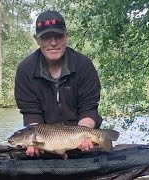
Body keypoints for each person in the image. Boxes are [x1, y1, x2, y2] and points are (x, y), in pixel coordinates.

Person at [14, 10, 103, 157]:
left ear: (66, 36)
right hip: (47, 146)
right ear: (37, 39)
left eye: (58, 36)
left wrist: (84, 136)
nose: (53, 43)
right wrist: (34, 141)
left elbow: (89, 107)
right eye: (46, 37)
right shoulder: (25, 70)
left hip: (80, 139)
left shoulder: (83, 65)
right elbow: (31, 113)